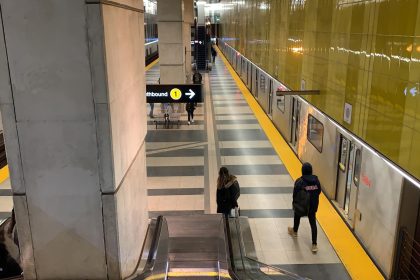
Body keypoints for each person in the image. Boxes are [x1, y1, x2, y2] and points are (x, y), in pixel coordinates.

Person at [288, 162, 321, 253]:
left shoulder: (300, 181)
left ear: (302, 171)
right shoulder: (316, 180)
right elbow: (319, 191)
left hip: (302, 206)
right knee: (313, 223)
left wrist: (295, 203)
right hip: (313, 206)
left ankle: (294, 232)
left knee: (297, 215)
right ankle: (314, 245)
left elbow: (295, 194)